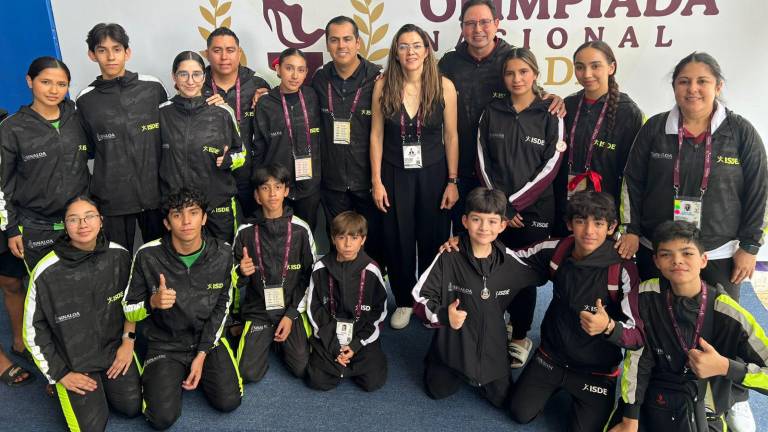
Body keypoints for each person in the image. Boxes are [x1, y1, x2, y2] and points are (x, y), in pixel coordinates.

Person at [610, 221, 768, 432]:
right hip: (651, 397)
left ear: (703, 260)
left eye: (687, 253)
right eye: (666, 254)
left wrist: (726, 367)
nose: (677, 261)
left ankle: (735, 405)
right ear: (656, 261)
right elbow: (638, 356)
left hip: (703, 404)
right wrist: (630, 416)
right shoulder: (645, 295)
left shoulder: (728, 312)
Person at [505, 191, 644, 432]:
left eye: (598, 224)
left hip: (596, 370)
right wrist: (465, 243)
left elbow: (637, 335)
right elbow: (506, 260)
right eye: (581, 221)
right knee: (519, 413)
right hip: (551, 356)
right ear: (570, 224)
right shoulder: (558, 249)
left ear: (611, 228)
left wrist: (609, 327)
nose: (589, 231)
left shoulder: (623, 269)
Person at [412, 187, 548, 407]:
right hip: (454, 342)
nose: (484, 228)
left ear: (503, 225)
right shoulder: (449, 256)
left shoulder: (511, 262)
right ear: (465, 221)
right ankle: (437, 355)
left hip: (492, 345)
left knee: (503, 400)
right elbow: (418, 299)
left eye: (492, 222)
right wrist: (444, 316)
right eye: (477, 220)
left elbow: (545, 265)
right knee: (436, 391)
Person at [438, 0, 563, 233]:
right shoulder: (449, 62)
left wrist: (552, 97)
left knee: (497, 242)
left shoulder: (508, 58)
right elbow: (420, 87)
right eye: (470, 23)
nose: (478, 30)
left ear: (496, 24)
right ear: (462, 27)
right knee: (464, 237)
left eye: (484, 22)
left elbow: (528, 89)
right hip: (458, 169)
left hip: (500, 175)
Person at [476, 47, 565, 367]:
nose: (517, 78)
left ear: (535, 75)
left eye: (523, 72)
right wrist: (501, 208)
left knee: (523, 274)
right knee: (493, 268)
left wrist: (515, 206)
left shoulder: (551, 114)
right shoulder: (492, 112)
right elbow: (482, 160)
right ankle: (495, 324)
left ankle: (520, 336)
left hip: (534, 213)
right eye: (510, 73)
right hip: (496, 212)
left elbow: (551, 166)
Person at [123, 189, 241, 429]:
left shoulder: (223, 253)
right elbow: (129, 309)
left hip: (207, 340)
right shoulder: (147, 255)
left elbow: (223, 306)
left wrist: (202, 354)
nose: (186, 222)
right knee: (161, 419)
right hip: (165, 343)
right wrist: (152, 303)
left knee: (229, 402)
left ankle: (198, 364)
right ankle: (162, 375)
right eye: (177, 215)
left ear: (204, 218)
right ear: (167, 223)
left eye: (193, 213)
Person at [24, 196, 141, 431]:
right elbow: (31, 331)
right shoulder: (46, 271)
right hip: (74, 362)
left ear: (101, 221)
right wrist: (61, 373)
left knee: (132, 407)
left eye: (89, 216)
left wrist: (128, 343)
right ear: (65, 226)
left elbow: (133, 303)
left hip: (113, 352)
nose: (83, 224)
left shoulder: (121, 256)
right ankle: (59, 386)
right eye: (73, 219)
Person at [370, 23, 459, 329]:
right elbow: (377, 136)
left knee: (434, 239)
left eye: (416, 45)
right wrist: (376, 181)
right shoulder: (384, 85)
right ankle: (406, 302)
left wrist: (452, 180)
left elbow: (452, 135)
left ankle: (430, 299)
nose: (410, 51)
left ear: (426, 50)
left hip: (434, 174)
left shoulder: (444, 85)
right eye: (404, 45)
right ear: (396, 51)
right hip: (395, 174)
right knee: (398, 240)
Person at [75, 23, 168, 252]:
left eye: (116, 49)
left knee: (162, 260)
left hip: (157, 195)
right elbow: (86, 150)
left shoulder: (153, 87)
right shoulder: (85, 100)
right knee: (116, 262)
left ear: (127, 52)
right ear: (92, 55)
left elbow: (170, 132)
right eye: (102, 50)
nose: (110, 57)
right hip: (113, 200)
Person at [0, 57, 89, 272]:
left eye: (61, 84)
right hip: (37, 229)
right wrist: (11, 230)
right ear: (30, 81)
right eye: (45, 82)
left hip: (81, 224)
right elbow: (2, 184)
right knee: (48, 294)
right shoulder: (11, 128)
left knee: (89, 289)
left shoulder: (78, 117)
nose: (53, 90)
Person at [312, 16, 387, 270]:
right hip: (332, 183)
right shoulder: (319, 79)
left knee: (374, 245)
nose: (341, 45)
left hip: (369, 182)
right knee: (339, 249)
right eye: (334, 40)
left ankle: (373, 300)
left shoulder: (378, 78)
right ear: (327, 44)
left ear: (358, 43)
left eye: (347, 39)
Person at [552, 41, 644, 241]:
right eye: (580, 67)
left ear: (611, 67)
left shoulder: (629, 112)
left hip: (603, 214)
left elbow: (633, 175)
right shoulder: (568, 105)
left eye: (595, 66)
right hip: (566, 207)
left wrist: (629, 226)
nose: (586, 74)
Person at [233, 163, 314, 383]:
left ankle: (279, 340)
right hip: (258, 310)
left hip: (291, 308)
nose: (272, 194)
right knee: (247, 373)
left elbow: (311, 278)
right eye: (265, 188)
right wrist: (240, 272)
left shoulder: (301, 229)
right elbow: (230, 280)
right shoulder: (245, 231)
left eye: (277, 187)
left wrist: (290, 316)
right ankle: (265, 337)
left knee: (302, 368)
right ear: (257, 196)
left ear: (286, 191)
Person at [159, 51, 245, 243]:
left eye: (196, 74)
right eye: (183, 74)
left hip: (217, 205)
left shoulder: (222, 111)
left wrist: (230, 160)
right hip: (178, 210)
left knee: (223, 261)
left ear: (204, 77)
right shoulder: (162, 113)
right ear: (174, 76)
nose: (190, 81)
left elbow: (242, 153)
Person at [305, 211, 388, 391]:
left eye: (354, 237)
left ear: (363, 240)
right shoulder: (320, 268)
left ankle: (355, 359)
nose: (348, 244)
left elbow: (379, 312)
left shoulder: (372, 269)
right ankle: (335, 359)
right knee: (318, 381)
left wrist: (357, 343)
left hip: (361, 335)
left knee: (372, 383)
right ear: (333, 239)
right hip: (329, 334)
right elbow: (314, 309)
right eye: (341, 237)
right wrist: (335, 346)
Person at [203, 27, 271, 218]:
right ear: (207, 54)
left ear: (239, 53)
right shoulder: (197, 86)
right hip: (214, 177)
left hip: (252, 176)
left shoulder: (258, 84)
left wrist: (269, 100)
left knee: (253, 234)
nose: (224, 57)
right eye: (217, 51)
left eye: (230, 50)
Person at [253, 48, 323, 231]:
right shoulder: (265, 103)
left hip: (309, 184)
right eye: (289, 68)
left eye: (301, 70)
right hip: (276, 188)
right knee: (278, 236)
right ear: (278, 69)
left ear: (306, 72)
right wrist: (259, 185)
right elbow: (259, 148)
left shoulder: (313, 96)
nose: (294, 75)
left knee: (305, 234)